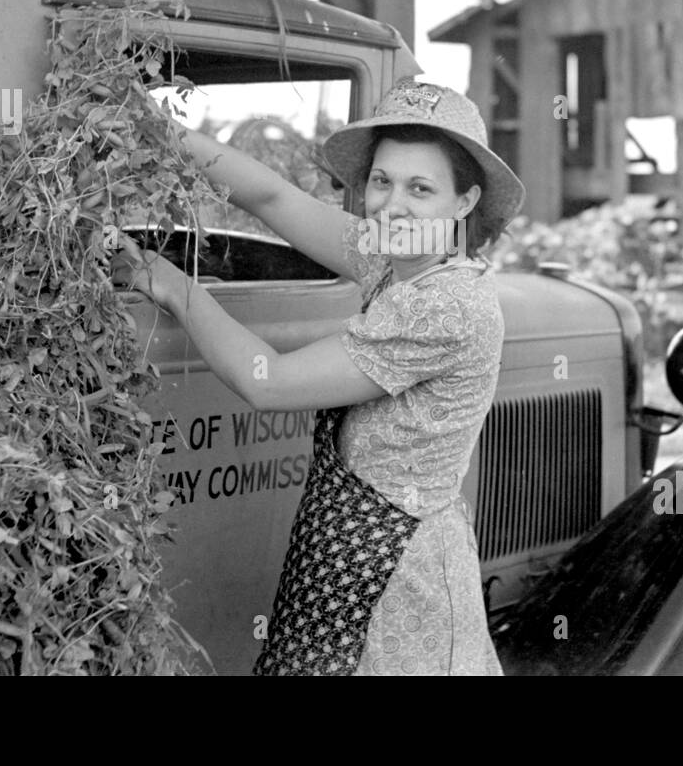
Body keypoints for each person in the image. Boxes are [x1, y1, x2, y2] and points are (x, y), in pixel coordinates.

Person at [111, 78, 525, 675]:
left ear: (464, 202)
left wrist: (171, 285)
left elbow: (269, 382)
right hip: (344, 551)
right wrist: (159, 130)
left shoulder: (445, 306)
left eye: (421, 188)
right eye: (382, 182)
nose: (393, 204)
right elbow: (273, 199)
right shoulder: (394, 255)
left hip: (390, 573)